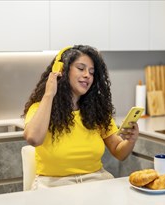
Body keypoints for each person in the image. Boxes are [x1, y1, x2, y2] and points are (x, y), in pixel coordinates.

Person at [22, 45, 139, 190]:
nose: (87, 75)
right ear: (62, 70)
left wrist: (130, 141)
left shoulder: (97, 111)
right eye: (81, 68)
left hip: (95, 181)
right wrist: (49, 94)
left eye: (91, 72)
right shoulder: (40, 108)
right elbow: (33, 138)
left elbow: (118, 151)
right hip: (54, 186)